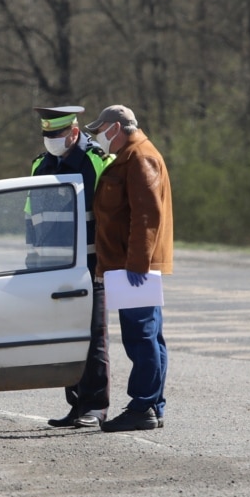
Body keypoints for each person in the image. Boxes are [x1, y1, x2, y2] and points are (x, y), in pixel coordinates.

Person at [84, 105, 173, 432]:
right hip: (130, 264)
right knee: (149, 336)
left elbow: (146, 216)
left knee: (141, 337)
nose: (98, 137)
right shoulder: (131, 156)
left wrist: (136, 265)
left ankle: (142, 407)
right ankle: (153, 405)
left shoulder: (139, 158)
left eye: (101, 130)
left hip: (133, 266)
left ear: (116, 128)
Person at [28, 106, 112, 429]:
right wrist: (33, 261)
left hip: (89, 267)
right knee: (66, 338)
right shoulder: (40, 164)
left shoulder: (95, 161)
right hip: (53, 268)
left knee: (93, 339)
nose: (51, 140)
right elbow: (30, 215)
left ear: (74, 132)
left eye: (58, 134)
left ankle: (96, 406)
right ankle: (76, 404)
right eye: (47, 134)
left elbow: (108, 217)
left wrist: (105, 264)